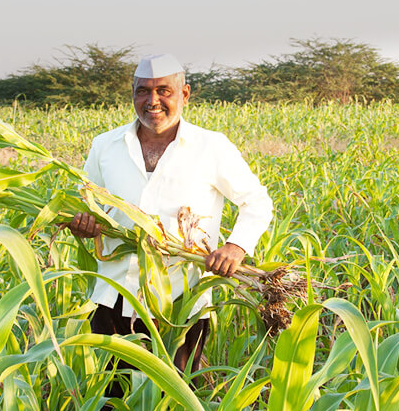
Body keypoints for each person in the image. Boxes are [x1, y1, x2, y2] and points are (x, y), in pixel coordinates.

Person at [66, 53, 273, 376]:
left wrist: (235, 247)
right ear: (132, 94)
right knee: (108, 402)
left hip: (182, 302)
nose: (153, 101)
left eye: (164, 91)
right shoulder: (105, 146)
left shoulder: (211, 147)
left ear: (185, 94)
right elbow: (87, 204)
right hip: (114, 296)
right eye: (143, 91)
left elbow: (257, 201)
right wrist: (84, 224)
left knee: (174, 404)